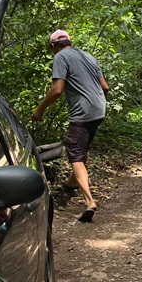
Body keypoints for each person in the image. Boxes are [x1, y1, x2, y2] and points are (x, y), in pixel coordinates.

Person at [33, 30, 108, 222]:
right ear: (69, 42)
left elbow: (57, 90)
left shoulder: (60, 57)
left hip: (83, 112)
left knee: (74, 152)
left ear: (53, 47)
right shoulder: (88, 56)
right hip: (99, 108)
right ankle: (71, 184)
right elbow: (105, 87)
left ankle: (89, 201)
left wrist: (40, 109)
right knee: (82, 148)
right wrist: (96, 105)